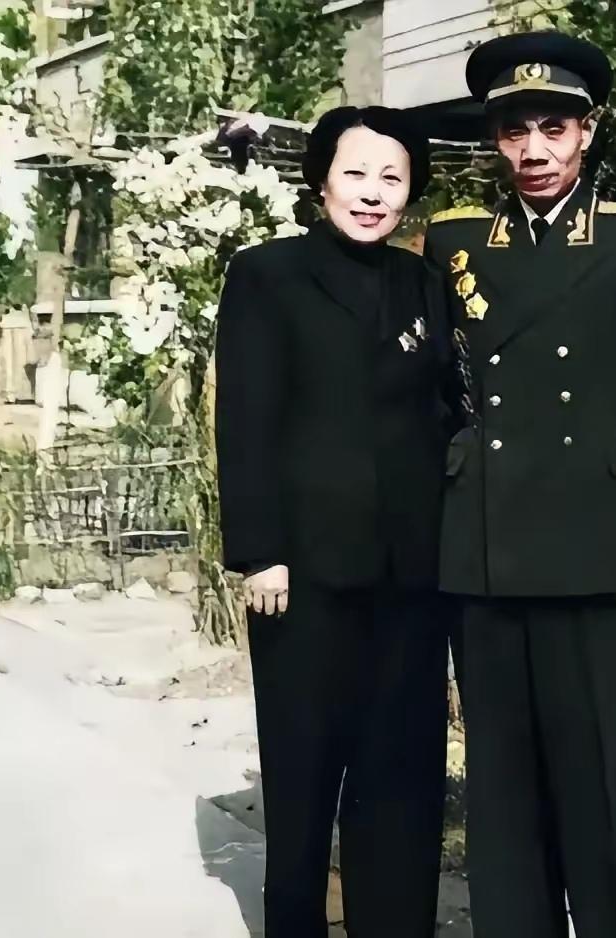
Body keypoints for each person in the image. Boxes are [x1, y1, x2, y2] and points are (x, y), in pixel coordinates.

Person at [423, 31, 616, 938]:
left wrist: (606, 472)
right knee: (504, 786)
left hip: (599, 546)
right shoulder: (456, 244)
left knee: (611, 779)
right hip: (488, 550)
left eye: (554, 127)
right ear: (495, 142)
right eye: (515, 132)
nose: (535, 150)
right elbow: (438, 390)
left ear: (588, 130)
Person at [214, 106, 453, 938]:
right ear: (321, 180)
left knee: (402, 779)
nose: (372, 193)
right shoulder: (267, 274)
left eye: (392, 178)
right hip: (303, 575)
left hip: (412, 575)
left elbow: (444, 413)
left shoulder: (426, 285)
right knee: (305, 775)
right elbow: (245, 418)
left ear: (411, 191)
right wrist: (260, 551)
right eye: (355, 174)